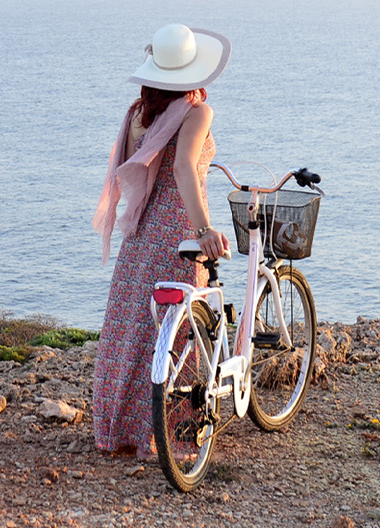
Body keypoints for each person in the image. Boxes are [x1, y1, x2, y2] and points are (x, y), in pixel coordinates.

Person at [91, 23, 233, 457]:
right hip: (175, 230)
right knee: (181, 330)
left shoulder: (139, 112)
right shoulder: (195, 112)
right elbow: (183, 169)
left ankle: (121, 431)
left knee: (134, 328)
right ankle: (172, 435)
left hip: (141, 232)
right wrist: (203, 230)